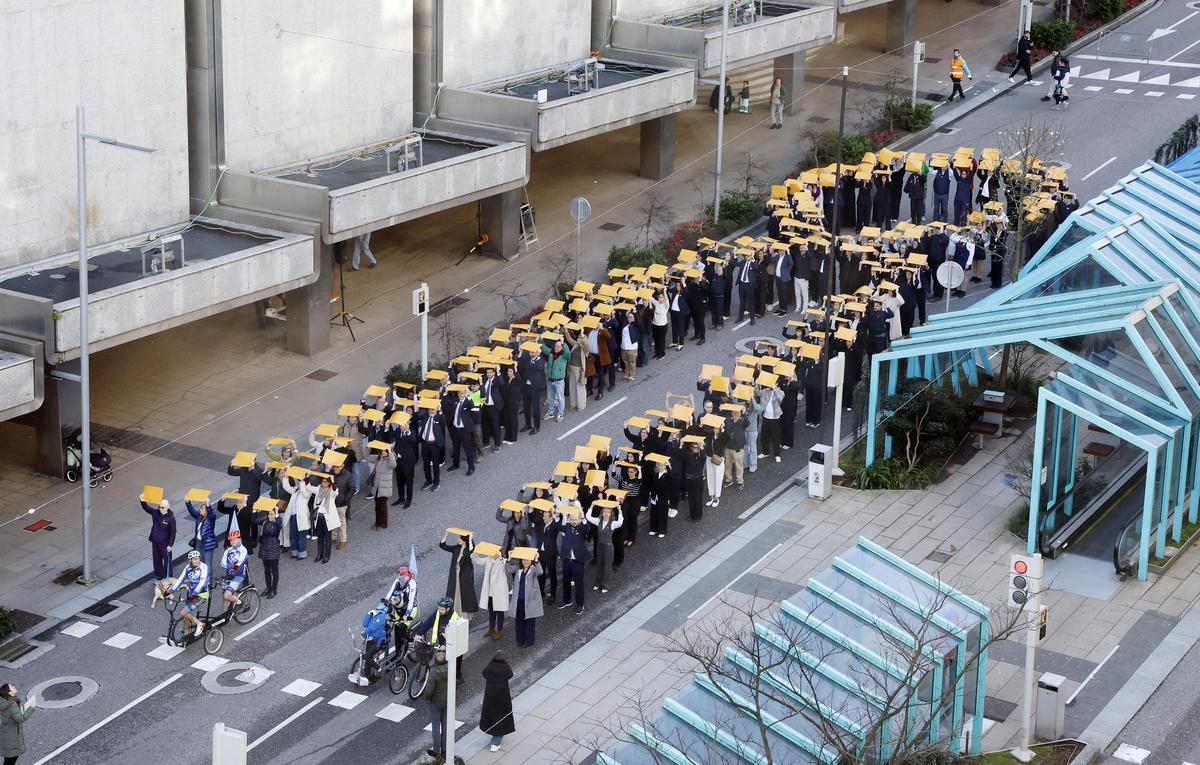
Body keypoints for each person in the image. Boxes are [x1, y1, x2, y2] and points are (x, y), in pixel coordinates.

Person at [162, 550, 209, 639]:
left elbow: (202, 581)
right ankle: (186, 634)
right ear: (190, 560)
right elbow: (180, 580)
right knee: (186, 614)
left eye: (198, 558)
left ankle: (199, 624)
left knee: (183, 612)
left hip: (201, 594)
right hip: (191, 594)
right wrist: (170, 591)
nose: (197, 560)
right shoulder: (188, 568)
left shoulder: (203, 567)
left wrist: (195, 593)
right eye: (195, 559)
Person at [479, 653, 516, 752]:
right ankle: (495, 743)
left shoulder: (490, 668)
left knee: (491, 716)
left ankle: (493, 734)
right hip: (503, 696)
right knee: (501, 719)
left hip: (490, 696)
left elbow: (484, 673)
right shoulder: (505, 668)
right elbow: (510, 674)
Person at [557, 511, 591, 614]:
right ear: (569, 520)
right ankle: (567, 600)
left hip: (578, 561)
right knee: (566, 581)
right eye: (572, 519)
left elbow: (587, 529)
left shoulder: (582, 528)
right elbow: (558, 526)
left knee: (578, 583)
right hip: (567, 560)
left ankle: (580, 604)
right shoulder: (567, 527)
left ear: (579, 520)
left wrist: (584, 518)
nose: (574, 521)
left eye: (576, 519)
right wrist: (557, 516)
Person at [506, 554, 543, 647]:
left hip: (530, 601)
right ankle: (520, 639)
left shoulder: (534, 569)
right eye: (524, 560)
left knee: (530, 621)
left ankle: (529, 640)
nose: (526, 562)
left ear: (531, 560)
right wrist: (509, 559)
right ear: (521, 561)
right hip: (518, 600)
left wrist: (537, 560)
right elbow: (509, 569)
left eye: (528, 560)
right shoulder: (518, 569)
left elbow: (540, 572)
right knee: (518, 621)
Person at [440, 531, 478, 618]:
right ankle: (453, 614)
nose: (458, 539)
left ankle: (464, 616)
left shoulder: (468, 549)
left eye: (460, 538)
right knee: (454, 594)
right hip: (455, 576)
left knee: (463, 596)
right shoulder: (456, 548)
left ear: (464, 541)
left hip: (464, 577)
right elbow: (442, 545)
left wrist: (470, 540)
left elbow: (471, 552)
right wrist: (446, 534)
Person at [140, 494, 176, 586]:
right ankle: (159, 577)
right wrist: (142, 500)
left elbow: (173, 532)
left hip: (165, 544)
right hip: (155, 542)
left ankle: (168, 578)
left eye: (163, 507)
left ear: (168, 507)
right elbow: (146, 508)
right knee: (156, 560)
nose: (160, 509)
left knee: (167, 561)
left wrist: (170, 545)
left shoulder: (171, 519)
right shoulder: (156, 513)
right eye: (159, 507)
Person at [586, 503, 623, 594]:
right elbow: (588, 517)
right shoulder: (599, 521)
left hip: (608, 547)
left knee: (607, 565)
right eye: (604, 512)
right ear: (602, 513)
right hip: (599, 546)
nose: (606, 513)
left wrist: (620, 510)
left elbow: (620, 522)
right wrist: (591, 506)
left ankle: (605, 585)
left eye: (608, 512)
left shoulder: (613, 523)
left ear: (611, 514)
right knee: (600, 564)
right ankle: (597, 583)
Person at [476, 546, 510, 640]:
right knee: (491, 611)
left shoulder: (502, 561)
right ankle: (491, 628)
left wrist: (502, 557)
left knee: (500, 611)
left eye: (496, 552)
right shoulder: (488, 559)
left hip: (499, 591)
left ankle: (500, 629)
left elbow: (508, 565)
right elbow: (477, 561)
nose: (494, 554)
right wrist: (476, 551)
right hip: (490, 591)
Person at [185, 497, 219, 584]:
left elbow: (211, 514)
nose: (200, 510)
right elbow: (192, 511)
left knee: (207, 564)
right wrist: (188, 502)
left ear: (207, 510)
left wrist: (208, 505)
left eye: (202, 508)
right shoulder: (199, 517)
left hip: (207, 545)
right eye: (200, 508)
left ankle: (208, 583)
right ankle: (200, 580)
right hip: (198, 544)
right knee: (198, 563)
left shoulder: (211, 518)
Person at [422, 650, 449, 760]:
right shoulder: (450, 669)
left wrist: (427, 698)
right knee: (445, 725)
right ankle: (445, 750)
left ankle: (436, 751)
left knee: (436, 726)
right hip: (447, 700)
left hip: (436, 702)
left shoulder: (434, 672)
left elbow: (429, 690)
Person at [0, 683, 36, 765]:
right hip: (11, 738)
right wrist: (31, 708)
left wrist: (26, 705)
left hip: (6, 735)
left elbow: (16, 713)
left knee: (9, 758)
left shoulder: (4, 702)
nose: (14, 687)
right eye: (12, 687)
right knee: (11, 760)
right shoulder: (12, 705)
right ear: (9, 692)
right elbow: (20, 718)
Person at [220, 530, 249, 612]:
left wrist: (229, 565)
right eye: (231, 540)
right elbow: (222, 563)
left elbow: (238, 564)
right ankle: (225, 617)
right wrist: (231, 566)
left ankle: (239, 603)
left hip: (238, 576)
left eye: (235, 539)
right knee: (225, 598)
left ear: (239, 539)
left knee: (227, 595)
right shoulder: (228, 550)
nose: (233, 541)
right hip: (228, 575)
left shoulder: (243, 550)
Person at [368, 442, 395, 529]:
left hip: (385, 488)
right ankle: (377, 523)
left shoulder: (391, 459)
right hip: (377, 488)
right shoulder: (378, 458)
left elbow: (393, 465)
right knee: (377, 507)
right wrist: (367, 447)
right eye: (382, 451)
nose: (383, 452)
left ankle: (383, 524)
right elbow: (367, 457)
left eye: (385, 451)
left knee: (383, 507)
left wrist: (390, 452)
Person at [257, 504, 282, 599]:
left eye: (272, 514)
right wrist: (255, 511)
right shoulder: (265, 523)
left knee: (274, 571)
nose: (270, 516)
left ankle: (274, 590)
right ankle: (268, 588)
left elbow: (280, 523)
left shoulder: (277, 524)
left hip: (273, 550)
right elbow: (254, 520)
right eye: (269, 514)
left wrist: (277, 513)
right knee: (266, 570)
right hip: (264, 549)